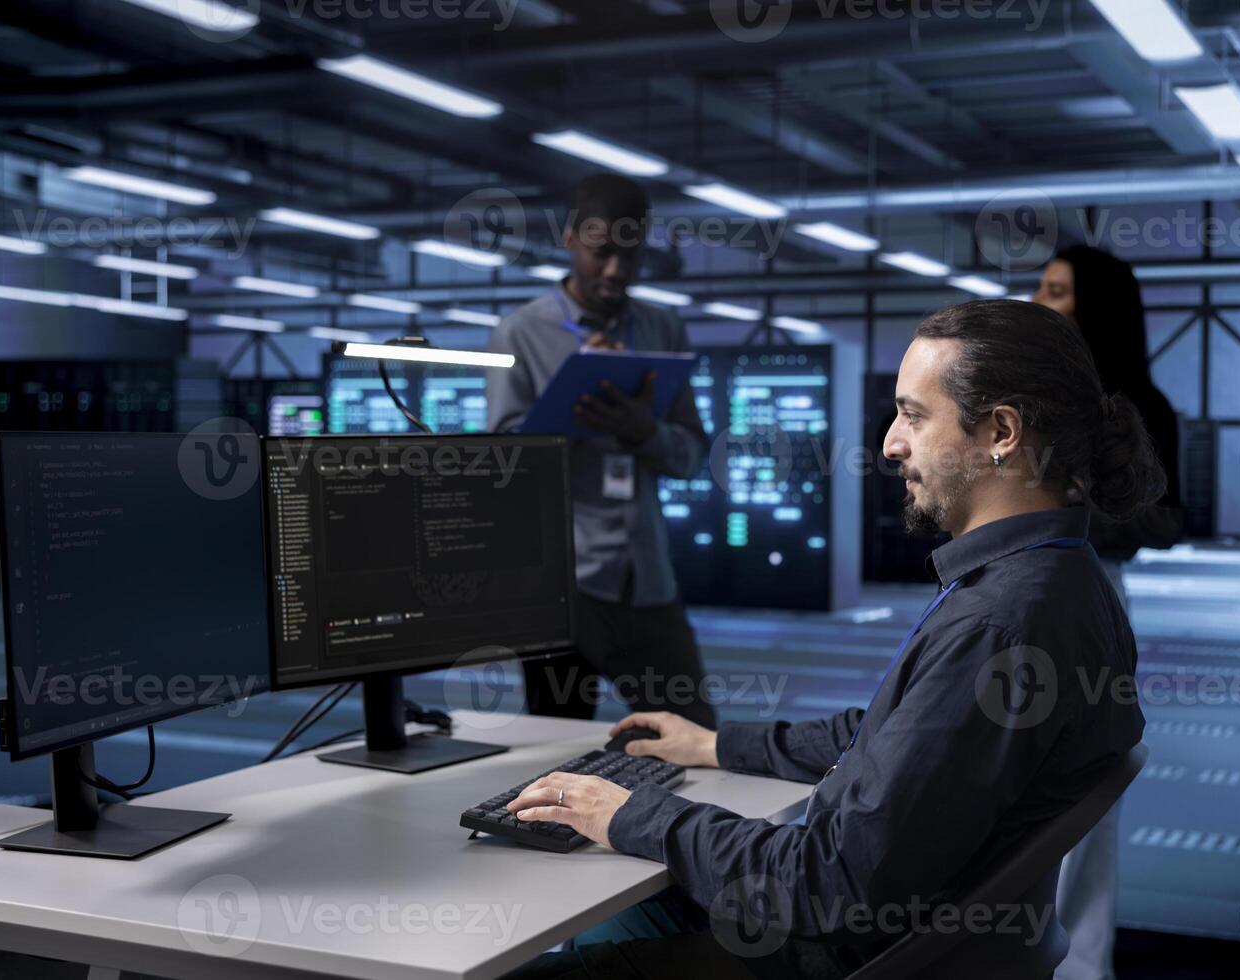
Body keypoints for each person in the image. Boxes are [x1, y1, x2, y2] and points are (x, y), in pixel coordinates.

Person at [502, 299, 1164, 979]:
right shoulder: (1063, 581)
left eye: (913, 415)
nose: (889, 443)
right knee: (607, 896)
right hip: (905, 939)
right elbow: (893, 731)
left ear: (1001, 430)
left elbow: (828, 881)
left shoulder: (999, 625)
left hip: (823, 952)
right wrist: (716, 745)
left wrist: (633, 812)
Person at [487, 173, 715, 726]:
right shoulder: (520, 335)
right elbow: (503, 468)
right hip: (559, 589)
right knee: (554, 748)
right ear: (569, 240)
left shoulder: (663, 330)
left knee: (694, 735)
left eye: (630, 256)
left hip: (647, 579)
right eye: (602, 252)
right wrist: (575, 396)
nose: (616, 270)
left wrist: (643, 430)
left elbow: (691, 457)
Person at [1034, 245, 1185, 980]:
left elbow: (1168, 520)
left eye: (1056, 292)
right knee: (1036, 793)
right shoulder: (1036, 397)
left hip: (1090, 595)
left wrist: (1077, 512)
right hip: (1028, 591)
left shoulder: (1138, 408)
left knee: (1086, 798)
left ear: (1095, 308)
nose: (1039, 301)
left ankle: (1083, 965)